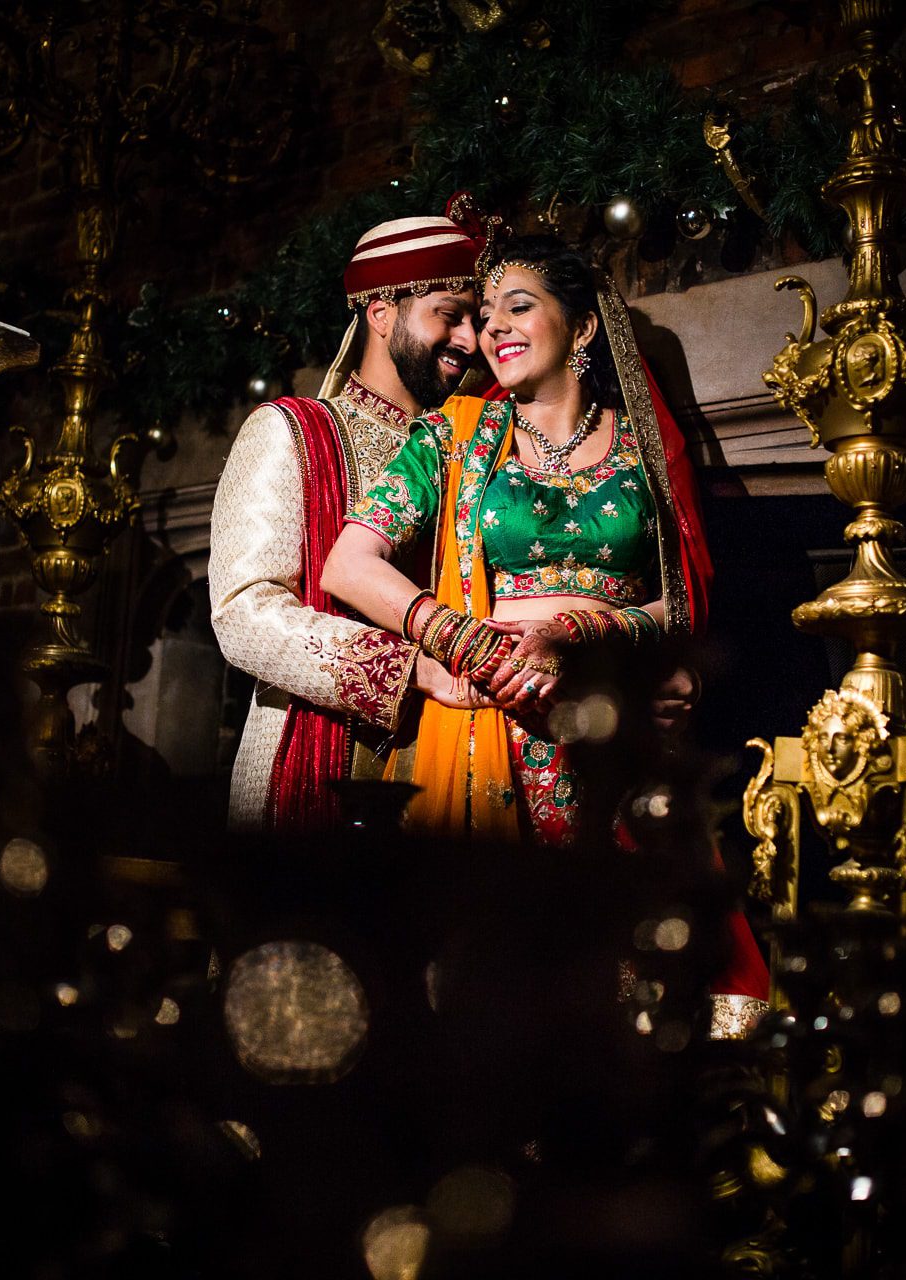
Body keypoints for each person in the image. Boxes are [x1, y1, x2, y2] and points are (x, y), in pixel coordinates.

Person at [322, 234, 768, 1031]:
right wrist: (468, 642)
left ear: (584, 328)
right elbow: (349, 566)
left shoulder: (642, 453)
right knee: (495, 985)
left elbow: (681, 601)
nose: (493, 328)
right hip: (490, 724)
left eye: (518, 307)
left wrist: (589, 628)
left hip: (613, 742)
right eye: (485, 314)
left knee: (629, 981)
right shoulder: (451, 438)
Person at [208, 195, 489, 830]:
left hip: (455, 769)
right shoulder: (291, 432)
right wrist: (407, 668)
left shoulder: (473, 450)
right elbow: (243, 610)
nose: (470, 340)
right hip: (310, 766)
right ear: (381, 311)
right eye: (450, 315)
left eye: (477, 319)